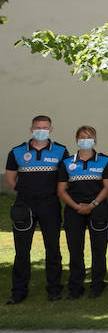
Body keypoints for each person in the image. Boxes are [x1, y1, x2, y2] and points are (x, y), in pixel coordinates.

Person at [5, 115, 68, 304]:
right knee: (22, 250)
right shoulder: (17, 152)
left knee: (53, 248)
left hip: (50, 204)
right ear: (31, 129)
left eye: (45, 127)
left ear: (50, 129)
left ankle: (54, 289)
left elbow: (64, 179)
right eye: (37, 127)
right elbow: (10, 179)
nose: (41, 130)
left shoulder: (60, 151)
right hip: (25, 205)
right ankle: (18, 291)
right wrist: (24, 195)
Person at [56, 125, 108, 299]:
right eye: (81, 137)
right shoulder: (67, 163)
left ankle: (97, 285)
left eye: (89, 136)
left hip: (98, 209)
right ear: (76, 140)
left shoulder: (104, 160)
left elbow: (107, 188)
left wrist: (92, 205)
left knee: (99, 249)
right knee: (75, 249)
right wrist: (76, 206)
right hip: (74, 210)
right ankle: (76, 286)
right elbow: (61, 190)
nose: (85, 140)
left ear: (94, 140)